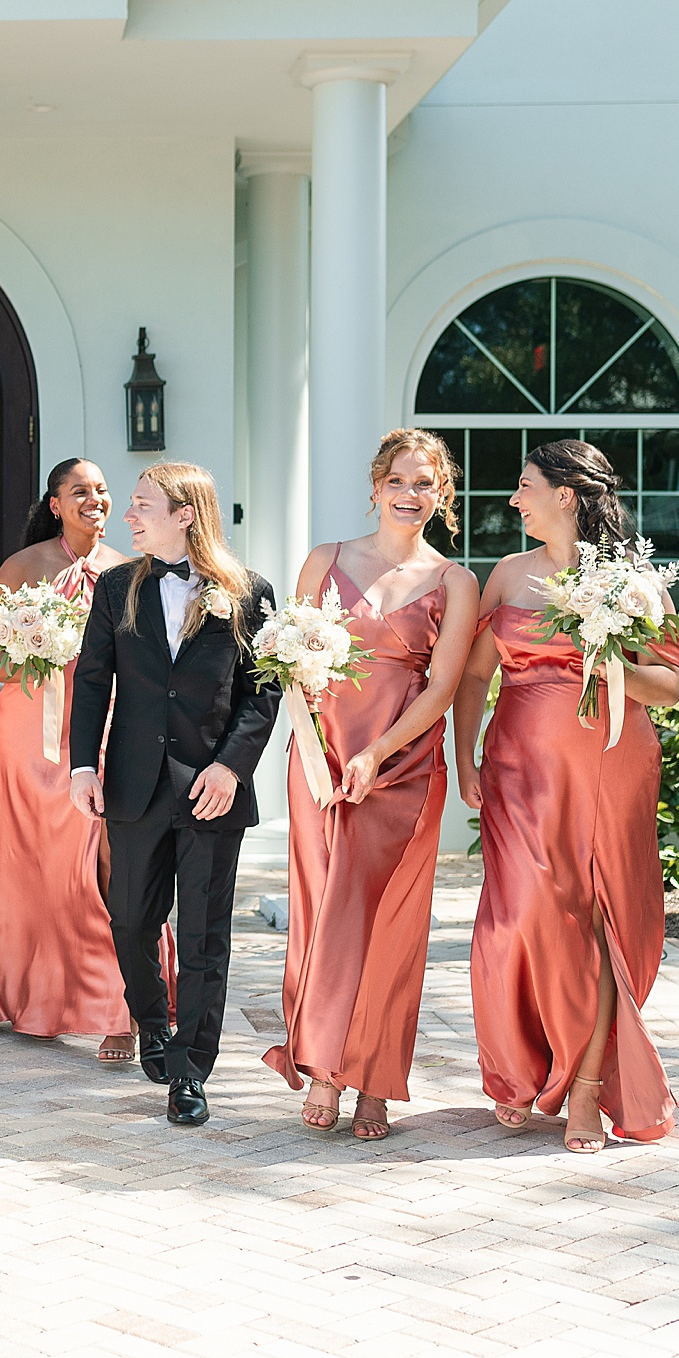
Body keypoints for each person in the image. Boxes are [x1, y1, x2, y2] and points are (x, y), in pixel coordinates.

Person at [454, 440, 679, 1152]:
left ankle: (584, 1089)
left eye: (524, 486)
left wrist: (606, 656)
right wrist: (463, 755)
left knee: (598, 922)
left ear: (566, 495)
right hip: (519, 770)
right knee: (513, 922)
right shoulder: (507, 575)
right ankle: (520, 1067)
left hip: (610, 762)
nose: (514, 500)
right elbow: (470, 677)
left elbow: (668, 686)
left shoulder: (635, 581)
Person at [260, 431, 479, 1141]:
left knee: (388, 924)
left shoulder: (456, 581)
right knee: (326, 911)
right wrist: (323, 755)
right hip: (322, 763)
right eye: (399, 481)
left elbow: (444, 686)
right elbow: (292, 665)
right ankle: (325, 1063)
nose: (411, 495)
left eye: (426, 484)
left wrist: (380, 751)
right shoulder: (324, 560)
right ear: (376, 486)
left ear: (441, 495)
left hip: (404, 766)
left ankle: (374, 1078)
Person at [67, 464, 277, 1129]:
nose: (127, 516)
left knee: (204, 936)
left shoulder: (247, 592)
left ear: (185, 514)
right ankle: (152, 1024)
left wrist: (231, 768)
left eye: (141, 505)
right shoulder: (116, 587)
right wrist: (81, 765)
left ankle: (191, 1070)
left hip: (211, 788)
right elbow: (93, 680)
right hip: (132, 783)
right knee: (129, 919)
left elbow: (262, 692)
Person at [0, 458, 156, 1057]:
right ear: (55, 504)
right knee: (28, 867)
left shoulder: (130, 572)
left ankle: (120, 1006)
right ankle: (27, 996)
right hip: (26, 737)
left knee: (100, 866)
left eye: (101, 491)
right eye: (81, 491)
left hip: (99, 733)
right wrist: (37, 649)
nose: (95, 500)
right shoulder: (23, 567)